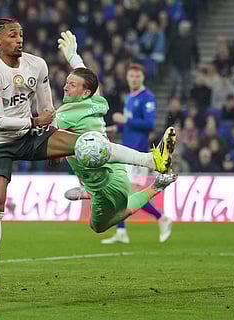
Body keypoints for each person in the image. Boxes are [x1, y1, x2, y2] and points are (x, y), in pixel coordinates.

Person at [0, 18, 176, 293]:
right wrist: (36, 123)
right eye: (12, 36)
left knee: (88, 143)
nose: (19, 39)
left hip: (30, 135)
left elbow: (46, 106)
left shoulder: (37, 65)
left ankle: (152, 159)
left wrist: (51, 136)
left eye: (21, 34)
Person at [55, 31, 177, 237]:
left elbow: (148, 123)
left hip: (116, 165)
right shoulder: (96, 98)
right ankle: (147, 179)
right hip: (118, 161)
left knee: (97, 226)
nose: (65, 87)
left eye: (71, 84)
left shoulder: (65, 115)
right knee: (120, 195)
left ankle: (152, 173)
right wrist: (73, 58)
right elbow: (88, 80)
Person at [102, 63, 172, 244]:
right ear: (127, 78)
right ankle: (121, 231)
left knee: (131, 195)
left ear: (142, 78)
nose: (133, 79)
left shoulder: (147, 97)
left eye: (137, 76)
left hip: (139, 153)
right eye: (131, 76)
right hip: (126, 150)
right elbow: (129, 125)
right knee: (121, 192)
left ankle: (161, 218)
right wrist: (114, 127)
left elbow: (149, 124)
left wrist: (127, 120)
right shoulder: (130, 98)